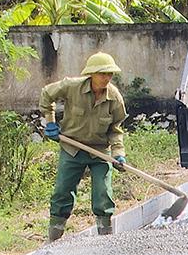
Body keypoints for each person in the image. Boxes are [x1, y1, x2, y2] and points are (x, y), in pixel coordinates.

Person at [40, 52, 128, 243]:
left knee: (103, 194)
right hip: (72, 148)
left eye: (110, 74)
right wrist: (50, 122)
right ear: (92, 74)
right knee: (62, 191)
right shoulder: (72, 86)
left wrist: (118, 153)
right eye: (103, 74)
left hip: (100, 152)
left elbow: (116, 129)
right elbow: (47, 94)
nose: (107, 78)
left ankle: (105, 240)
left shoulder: (114, 98)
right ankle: (53, 240)